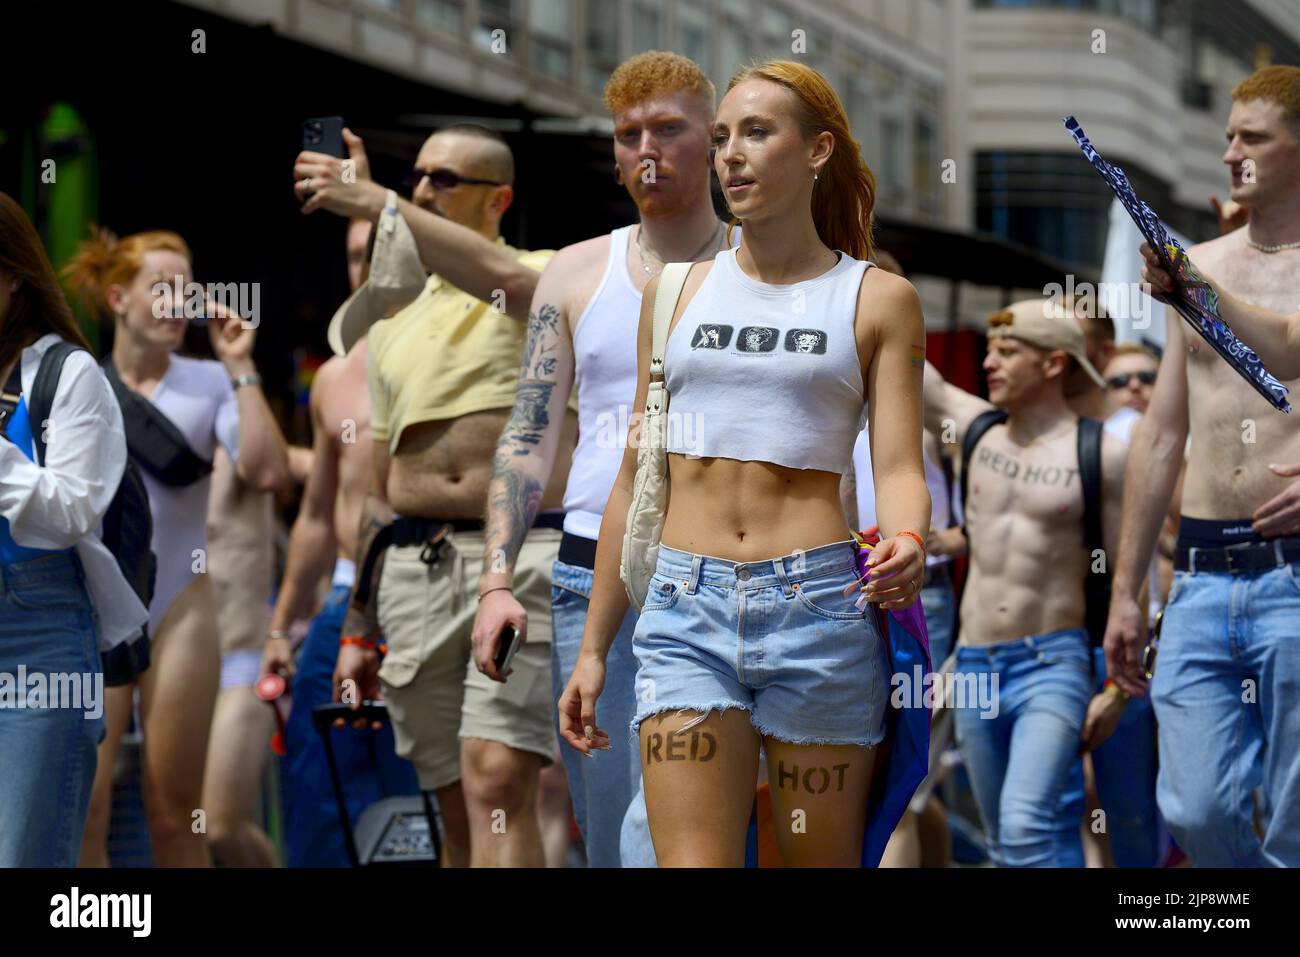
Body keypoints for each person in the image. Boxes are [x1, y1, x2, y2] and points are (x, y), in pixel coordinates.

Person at [559, 59, 930, 867]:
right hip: (685, 610)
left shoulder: (876, 298)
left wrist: (907, 535)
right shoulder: (675, 291)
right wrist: (594, 648)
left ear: (818, 149)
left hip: (821, 609)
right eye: (722, 136)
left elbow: (899, 462)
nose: (730, 154)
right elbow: (634, 476)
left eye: (757, 133)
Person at [471, 50, 739, 868]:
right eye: (629, 134)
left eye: (669, 128)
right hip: (596, 571)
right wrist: (494, 581)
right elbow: (529, 432)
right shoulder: (575, 269)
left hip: (728, 573)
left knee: (708, 835)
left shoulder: (762, 265)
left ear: (716, 140)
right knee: (615, 832)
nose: (647, 149)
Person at [309, 124, 576, 868]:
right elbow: (374, 490)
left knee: (497, 781)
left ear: (501, 198)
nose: (423, 189)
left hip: (519, 560)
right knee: (455, 804)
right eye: (417, 176)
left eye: (444, 179)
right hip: (413, 568)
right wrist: (357, 626)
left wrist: (378, 200)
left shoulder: (542, 274)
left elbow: (499, 275)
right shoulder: (391, 320)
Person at [1107, 65, 1300, 867]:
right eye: (1227, 135)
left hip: (1294, 577)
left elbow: (1285, 343)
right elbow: (1159, 437)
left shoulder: (1197, 276)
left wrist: (1196, 291)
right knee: (1193, 805)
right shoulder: (1201, 262)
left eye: (1251, 137)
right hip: (1198, 575)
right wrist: (1125, 592)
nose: (1230, 153)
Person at [66, 228, 291, 867]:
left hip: (183, 609)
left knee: (176, 815)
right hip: (94, 607)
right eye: (162, 288)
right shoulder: (79, 381)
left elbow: (269, 472)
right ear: (118, 299)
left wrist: (241, 367)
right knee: (88, 813)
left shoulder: (210, 380)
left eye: (188, 290)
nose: (179, 303)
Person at [923, 296, 1127, 867]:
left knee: (1026, 825)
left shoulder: (1102, 453)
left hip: (1053, 664)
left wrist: (1115, 687)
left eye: (1009, 352)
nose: (990, 362)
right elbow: (913, 366)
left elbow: (1125, 577)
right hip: (974, 665)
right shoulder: (976, 431)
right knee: (1007, 838)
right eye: (990, 349)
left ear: (1055, 363)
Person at [262, 218, 421, 867]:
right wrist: (280, 628)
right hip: (340, 601)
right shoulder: (333, 378)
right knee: (319, 783)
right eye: (357, 255)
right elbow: (317, 515)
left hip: (423, 593)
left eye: (383, 253)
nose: (369, 268)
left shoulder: (456, 365)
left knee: (422, 788)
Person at [0, 193, 146, 867]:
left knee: (26, 854)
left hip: (38, 636)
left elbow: (71, 510)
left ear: (12, 277)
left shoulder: (67, 373)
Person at [202, 446, 280, 866]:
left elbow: (286, 463)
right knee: (182, 826)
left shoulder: (244, 453)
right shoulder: (145, 449)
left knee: (219, 826)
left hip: (241, 659)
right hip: (175, 667)